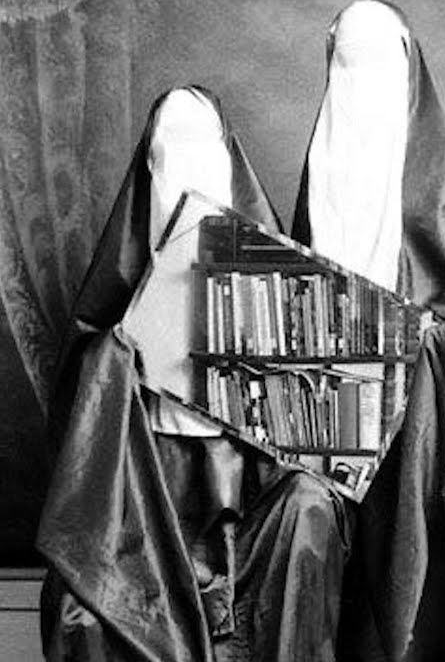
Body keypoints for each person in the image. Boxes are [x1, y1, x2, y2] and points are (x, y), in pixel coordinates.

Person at [37, 86, 350, 662]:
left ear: (226, 160)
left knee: (311, 510)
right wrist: (120, 354)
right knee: (79, 600)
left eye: (200, 146)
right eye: (169, 148)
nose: (185, 166)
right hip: (149, 486)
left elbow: (314, 416)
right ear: (149, 165)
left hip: (250, 489)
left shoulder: (274, 282)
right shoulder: (120, 285)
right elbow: (86, 421)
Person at [293, 0, 445, 662]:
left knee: (404, 518)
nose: (358, 85)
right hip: (329, 385)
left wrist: (410, 334)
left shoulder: (439, 163)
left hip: (414, 392)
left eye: (375, 67)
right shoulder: (322, 158)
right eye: (346, 65)